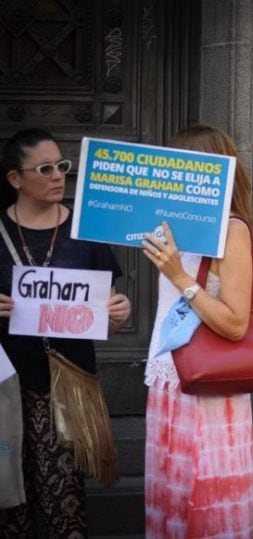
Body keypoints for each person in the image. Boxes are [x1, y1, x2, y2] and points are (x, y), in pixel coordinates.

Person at [0, 128, 131, 537]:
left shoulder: (85, 231)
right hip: (7, 387)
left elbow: (107, 303)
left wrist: (119, 311)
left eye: (62, 166)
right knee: (9, 497)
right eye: (45, 168)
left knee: (64, 498)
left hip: (68, 386)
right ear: (15, 179)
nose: (58, 175)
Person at [142, 124, 253, 538]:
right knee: (171, 503)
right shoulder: (170, 228)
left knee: (206, 510)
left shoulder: (231, 229)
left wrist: (178, 276)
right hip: (170, 383)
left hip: (210, 389)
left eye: (180, 165)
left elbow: (236, 322)